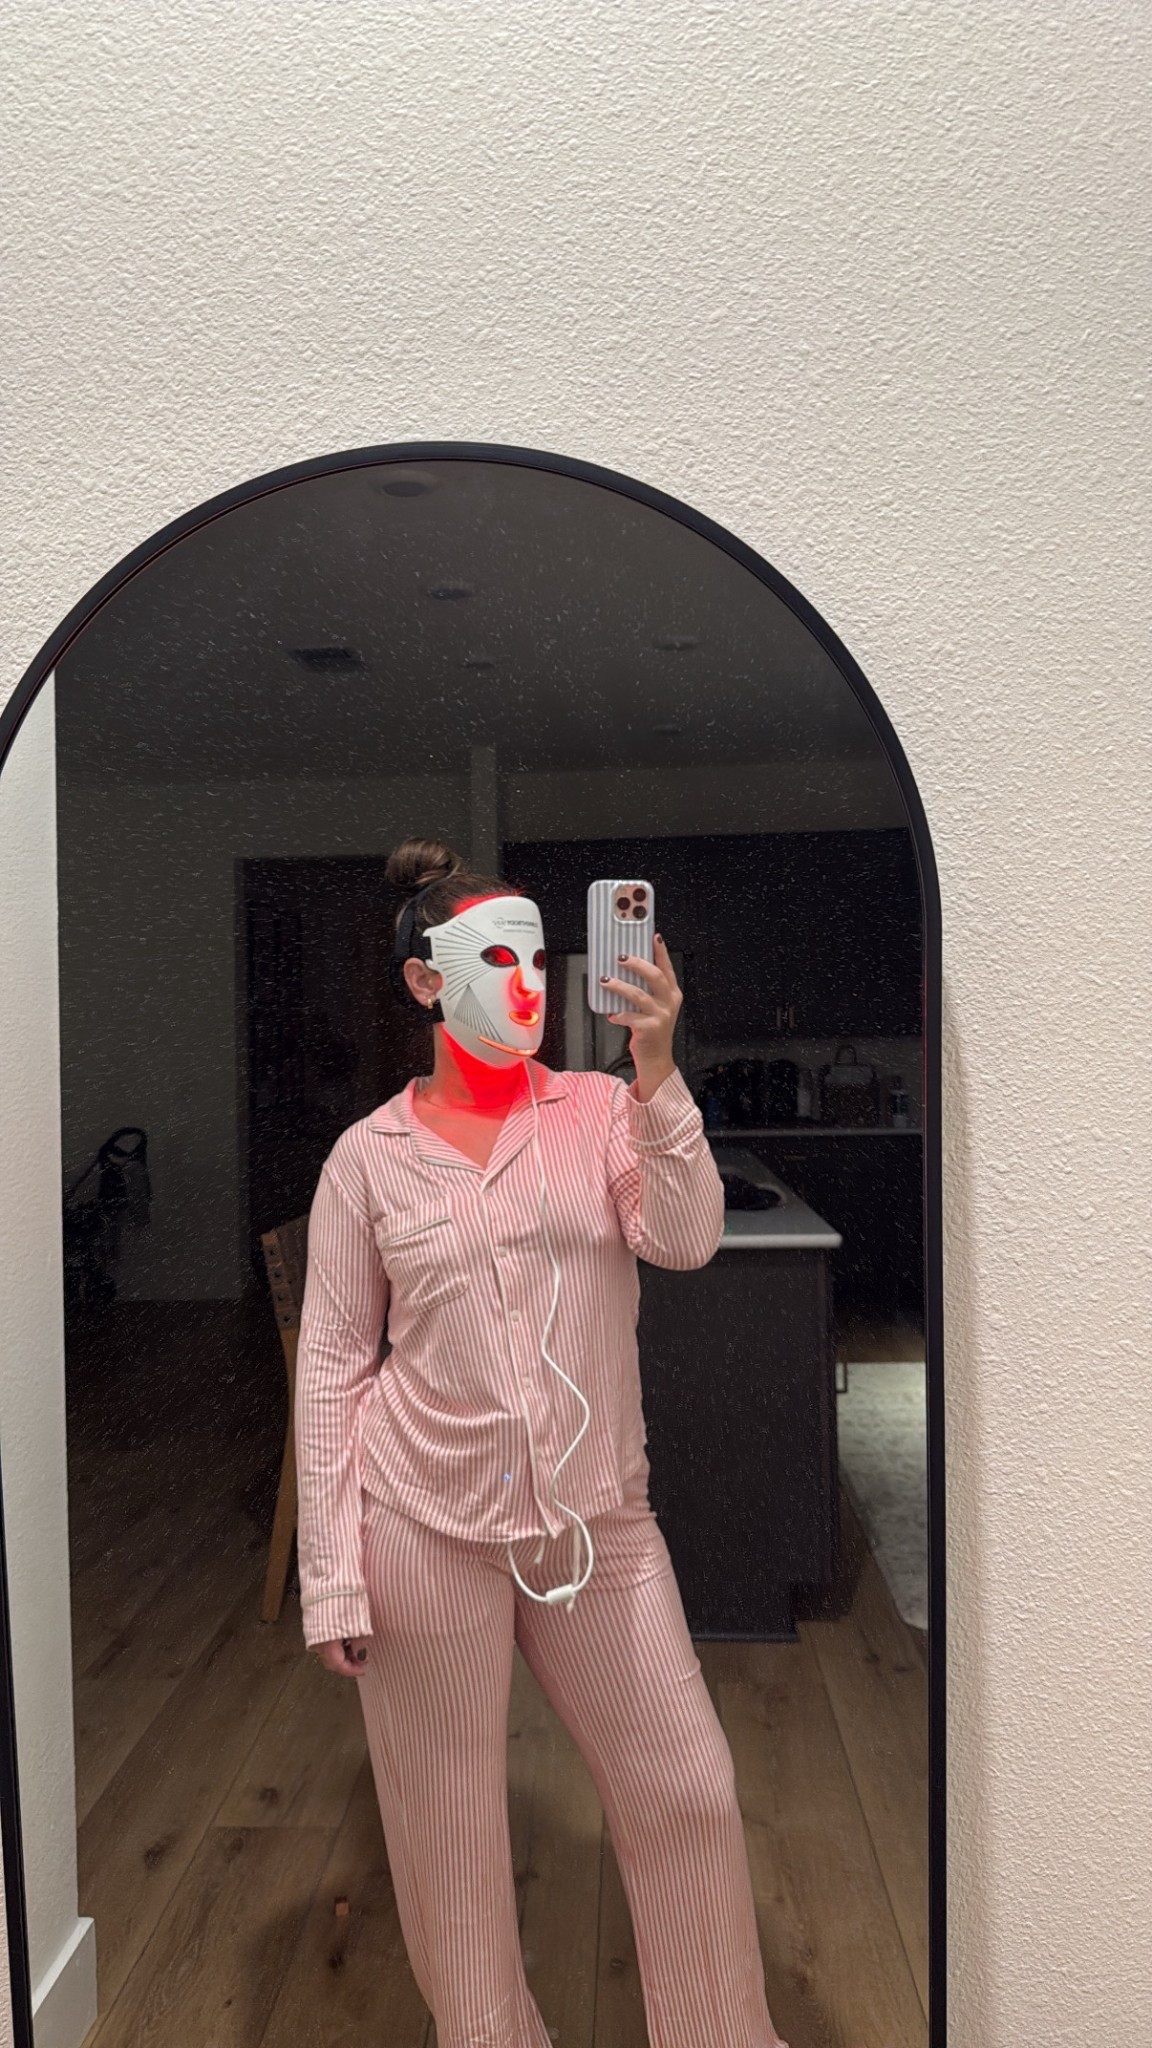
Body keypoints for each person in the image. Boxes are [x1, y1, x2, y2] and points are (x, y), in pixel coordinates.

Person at [293, 836, 790, 2048]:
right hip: (422, 1526)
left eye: (537, 957)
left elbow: (685, 1238)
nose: (526, 982)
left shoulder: (602, 1111)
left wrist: (657, 1070)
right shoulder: (366, 1160)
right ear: (426, 982)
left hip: (596, 1523)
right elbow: (332, 1365)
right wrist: (333, 1571)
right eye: (496, 960)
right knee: (450, 1833)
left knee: (686, 1787)